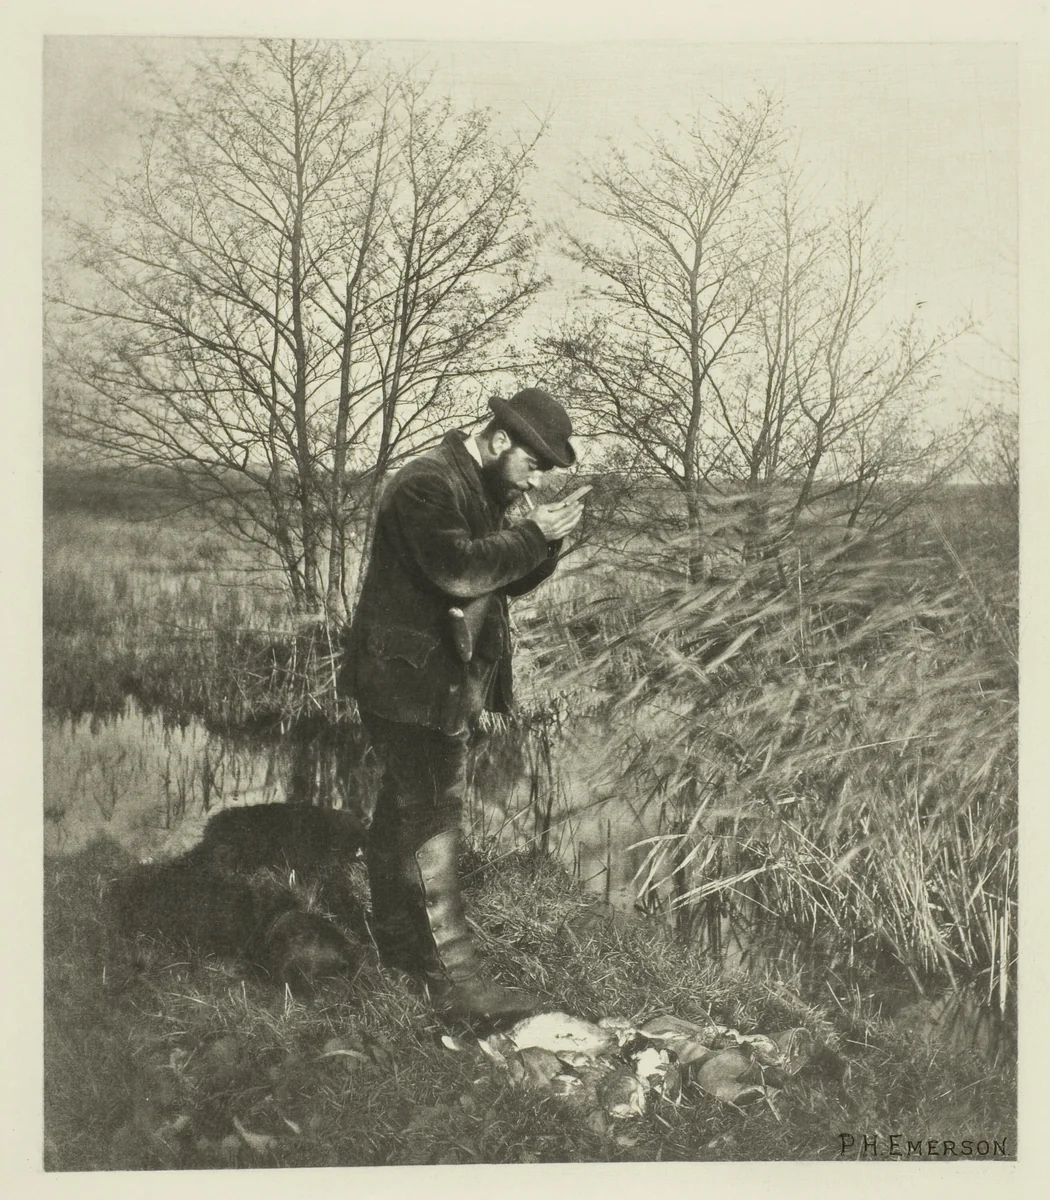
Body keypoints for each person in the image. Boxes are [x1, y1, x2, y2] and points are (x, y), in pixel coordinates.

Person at [343, 388, 585, 1026]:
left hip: (435, 682)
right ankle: (459, 985)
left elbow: (503, 578)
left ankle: (397, 949)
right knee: (434, 822)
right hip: (407, 685)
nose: (537, 477)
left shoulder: (479, 488)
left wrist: (546, 540)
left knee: (403, 811)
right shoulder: (427, 484)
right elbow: (459, 572)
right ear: (502, 440)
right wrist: (534, 532)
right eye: (535, 463)